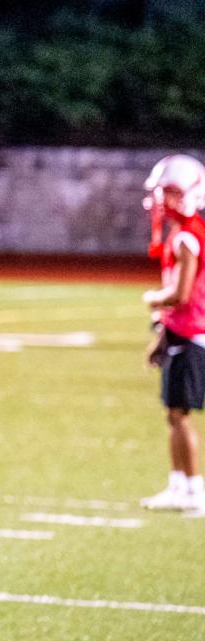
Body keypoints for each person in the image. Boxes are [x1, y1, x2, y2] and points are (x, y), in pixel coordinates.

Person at [140, 154, 205, 517]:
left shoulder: (186, 239)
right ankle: (179, 484)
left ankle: (195, 489)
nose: (163, 200)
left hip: (193, 333)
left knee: (181, 415)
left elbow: (179, 295)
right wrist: (161, 338)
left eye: (170, 192)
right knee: (173, 413)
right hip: (181, 333)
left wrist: (153, 299)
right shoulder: (186, 234)